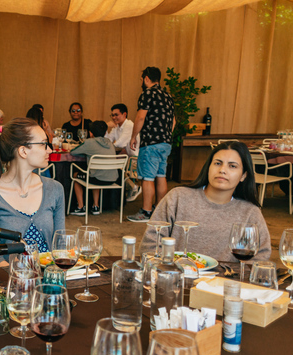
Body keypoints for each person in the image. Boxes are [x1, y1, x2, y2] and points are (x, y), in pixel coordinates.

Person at [140, 141, 271, 261]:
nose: (222, 170)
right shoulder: (178, 197)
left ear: (243, 175)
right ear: (208, 167)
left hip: (224, 283)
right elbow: (150, 244)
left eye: (232, 166)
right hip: (177, 278)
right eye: (217, 163)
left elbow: (261, 255)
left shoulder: (249, 212)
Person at [0, 117, 65, 254]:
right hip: (7, 274)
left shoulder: (55, 189)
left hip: (49, 272)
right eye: (44, 144)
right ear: (23, 151)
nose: (50, 150)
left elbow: (61, 245)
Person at [127, 66, 175, 222]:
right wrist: (166, 135)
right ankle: (158, 211)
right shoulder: (168, 96)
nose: (141, 82)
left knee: (147, 177)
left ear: (146, 78)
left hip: (151, 142)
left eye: (141, 79)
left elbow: (141, 117)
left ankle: (146, 212)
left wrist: (134, 136)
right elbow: (173, 121)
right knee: (161, 176)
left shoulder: (147, 93)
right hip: (165, 143)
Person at [67, 120, 119, 216]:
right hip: (112, 179)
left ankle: (81, 207)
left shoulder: (89, 142)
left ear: (90, 133)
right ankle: (96, 206)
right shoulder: (110, 143)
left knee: (76, 176)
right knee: (96, 173)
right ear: (105, 133)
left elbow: (73, 152)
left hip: (97, 179)